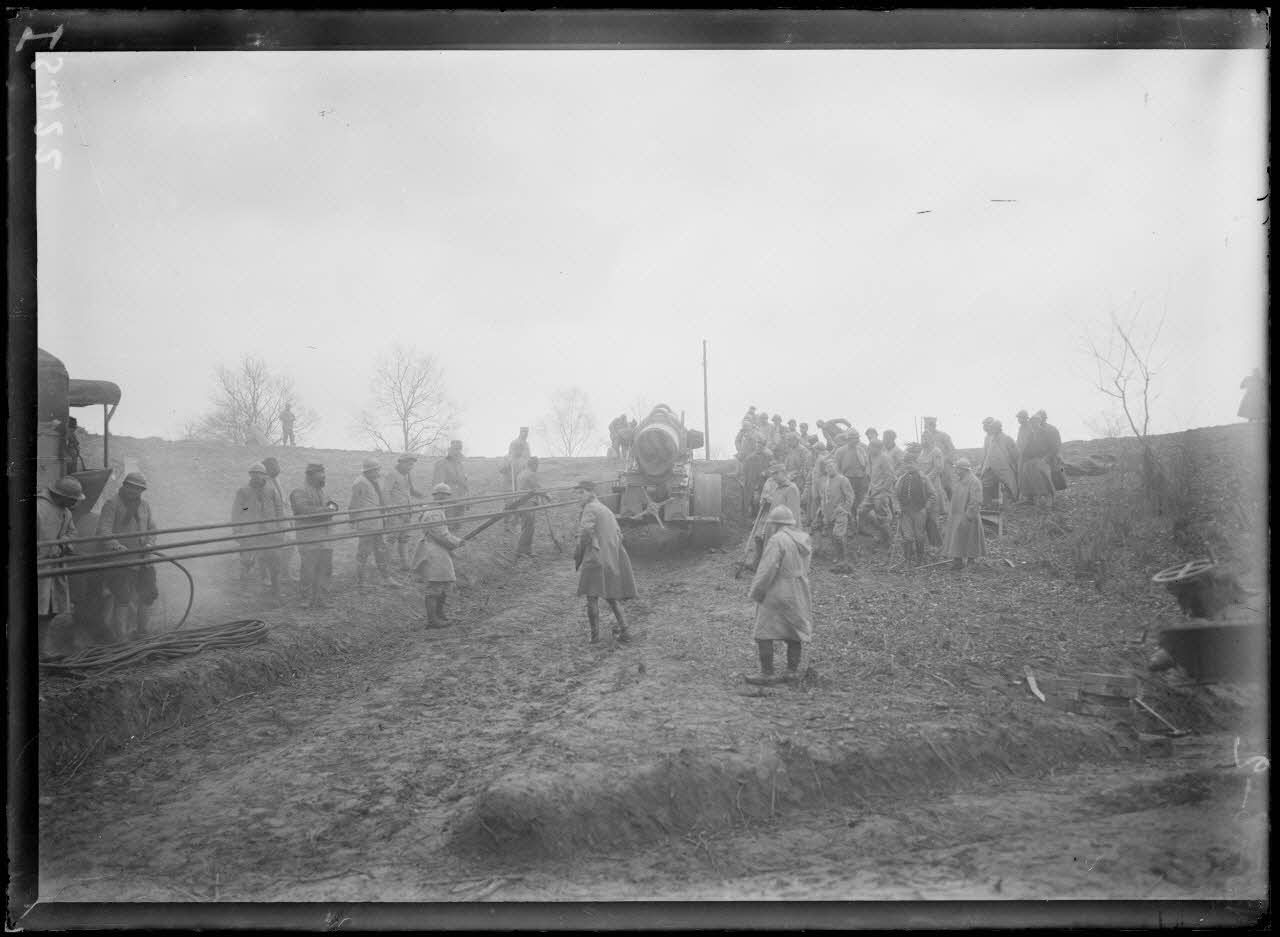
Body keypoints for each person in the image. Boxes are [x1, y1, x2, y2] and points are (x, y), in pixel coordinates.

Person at [745, 506, 813, 686]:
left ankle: (767, 673)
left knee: (763, 631)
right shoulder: (803, 539)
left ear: (775, 524)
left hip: (778, 588)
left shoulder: (777, 540)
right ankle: (792, 672)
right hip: (798, 588)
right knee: (794, 630)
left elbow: (768, 569)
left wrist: (757, 591)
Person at [96, 472, 159, 639]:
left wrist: (150, 543)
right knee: (122, 597)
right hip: (121, 560)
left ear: (142, 490)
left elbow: (152, 528)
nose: (134, 491)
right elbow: (103, 531)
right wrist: (116, 546)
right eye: (131, 487)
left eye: (138, 488)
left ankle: (142, 632)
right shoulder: (112, 504)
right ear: (124, 486)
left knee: (148, 594)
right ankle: (121, 637)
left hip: (144, 559)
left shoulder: (144, 505)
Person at [573, 479, 637, 645]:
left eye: (581, 493)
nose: (579, 496)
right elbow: (619, 535)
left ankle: (594, 637)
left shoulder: (590, 508)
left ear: (590, 493)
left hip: (595, 559)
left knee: (591, 597)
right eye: (577, 493)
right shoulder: (605, 509)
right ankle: (626, 631)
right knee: (611, 597)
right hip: (608, 559)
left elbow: (585, 532)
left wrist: (578, 554)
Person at [37, 476, 84, 659]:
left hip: (54, 569)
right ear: (62, 496)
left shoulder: (66, 511)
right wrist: (49, 548)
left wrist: (62, 544)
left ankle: (42, 650)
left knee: (49, 612)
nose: (75, 503)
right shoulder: (38, 508)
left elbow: (73, 533)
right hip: (40, 567)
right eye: (73, 499)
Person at [411, 483, 466, 628]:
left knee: (443, 583)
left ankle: (440, 615)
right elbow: (441, 534)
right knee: (435, 585)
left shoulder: (436, 509)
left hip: (438, 549)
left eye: (447, 495)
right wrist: (457, 542)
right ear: (436, 495)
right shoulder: (433, 513)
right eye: (442, 495)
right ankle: (432, 620)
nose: (445, 498)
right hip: (434, 550)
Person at [230, 462, 286, 597]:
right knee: (247, 561)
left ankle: (276, 589)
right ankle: (245, 589)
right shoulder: (243, 491)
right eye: (254, 474)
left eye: (260, 474)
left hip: (270, 532)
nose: (256, 477)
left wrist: (280, 528)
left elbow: (279, 509)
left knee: (274, 561)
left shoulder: (271, 491)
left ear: (264, 475)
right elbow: (238, 510)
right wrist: (238, 530)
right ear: (250, 475)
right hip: (251, 531)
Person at [290, 463, 339, 608]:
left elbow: (333, 505)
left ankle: (322, 597)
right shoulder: (299, 491)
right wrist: (326, 510)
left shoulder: (323, 491)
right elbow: (303, 510)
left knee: (325, 568)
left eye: (323, 474)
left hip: (326, 536)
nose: (323, 477)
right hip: (309, 537)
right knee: (308, 569)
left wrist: (330, 508)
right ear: (310, 476)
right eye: (320, 475)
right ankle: (305, 598)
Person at [350, 457, 391, 586]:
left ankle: (386, 578)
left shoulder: (374, 481)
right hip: (366, 523)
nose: (378, 473)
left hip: (377, 522)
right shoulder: (360, 483)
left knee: (381, 550)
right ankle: (360, 580)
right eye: (376, 470)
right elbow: (354, 503)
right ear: (369, 471)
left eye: (378, 470)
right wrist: (352, 520)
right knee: (363, 552)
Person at [895, 453, 937, 568]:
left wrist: (926, 508)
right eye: (906, 463)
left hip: (919, 511)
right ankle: (907, 560)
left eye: (911, 463)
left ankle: (920, 559)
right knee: (907, 537)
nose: (908, 465)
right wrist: (898, 508)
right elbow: (895, 495)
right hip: (905, 512)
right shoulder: (901, 479)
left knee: (919, 536)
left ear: (916, 464)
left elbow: (933, 495)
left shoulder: (924, 478)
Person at [943, 457, 985, 570]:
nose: (956, 471)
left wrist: (969, 515)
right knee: (957, 538)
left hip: (968, 516)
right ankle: (958, 561)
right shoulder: (960, 481)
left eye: (958, 469)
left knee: (971, 539)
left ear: (964, 469)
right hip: (957, 515)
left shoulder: (974, 481)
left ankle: (971, 562)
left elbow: (976, 500)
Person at [385, 453, 423, 571]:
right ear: (401, 462)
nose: (410, 467)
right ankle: (385, 566)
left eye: (412, 465)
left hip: (407, 511)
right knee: (391, 538)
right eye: (408, 464)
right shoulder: (392, 474)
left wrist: (419, 494)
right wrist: (390, 510)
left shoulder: (407, 475)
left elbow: (410, 490)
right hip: (395, 513)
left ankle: (405, 564)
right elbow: (385, 492)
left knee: (405, 538)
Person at [817, 458, 856, 571]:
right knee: (831, 535)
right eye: (828, 467)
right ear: (825, 469)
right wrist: (823, 511)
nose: (830, 469)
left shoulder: (843, 480)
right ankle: (837, 555)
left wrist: (844, 509)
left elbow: (850, 496)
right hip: (828, 512)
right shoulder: (824, 481)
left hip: (840, 512)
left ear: (836, 468)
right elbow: (823, 497)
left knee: (838, 534)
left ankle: (843, 558)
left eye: (832, 467)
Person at [858, 439, 896, 547]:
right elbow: (870, 474)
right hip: (871, 491)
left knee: (882, 517)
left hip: (880, 493)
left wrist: (883, 491)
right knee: (861, 511)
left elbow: (891, 477)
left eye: (871, 447)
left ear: (878, 448)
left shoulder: (885, 458)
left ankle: (888, 541)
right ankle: (866, 532)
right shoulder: (870, 457)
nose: (869, 449)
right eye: (869, 447)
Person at [979, 417, 1020, 507]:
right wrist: (983, 467)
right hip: (990, 467)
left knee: (1009, 485)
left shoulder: (1007, 439)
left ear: (999, 428)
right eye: (991, 428)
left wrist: (1014, 466)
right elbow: (987, 454)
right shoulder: (989, 439)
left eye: (994, 428)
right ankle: (988, 504)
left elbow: (1015, 454)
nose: (992, 430)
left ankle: (1010, 504)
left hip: (1004, 467)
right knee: (986, 484)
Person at [1018, 414, 1056, 507]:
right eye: (1032, 422)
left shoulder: (1046, 433)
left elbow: (1054, 448)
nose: (1033, 424)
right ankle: (1031, 498)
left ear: (1039, 422)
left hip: (1044, 459)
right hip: (1032, 459)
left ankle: (1049, 498)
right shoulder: (1031, 434)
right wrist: (1024, 457)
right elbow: (1028, 448)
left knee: (1044, 479)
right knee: (1028, 475)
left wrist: (1046, 459)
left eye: (1035, 422)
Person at [432, 440, 470, 532]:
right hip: (448, 500)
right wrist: (440, 501)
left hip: (461, 499)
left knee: (458, 526)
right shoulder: (442, 463)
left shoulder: (461, 464)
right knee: (448, 526)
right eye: (455, 449)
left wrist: (467, 499)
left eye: (459, 449)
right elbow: (438, 484)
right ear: (449, 449)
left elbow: (465, 483)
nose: (457, 451)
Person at [515, 456, 548, 557]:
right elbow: (536, 488)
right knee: (528, 528)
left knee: (527, 527)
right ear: (533, 465)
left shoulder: (521, 474)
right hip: (528, 503)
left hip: (521, 503)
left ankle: (526, 550)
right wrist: (547, 495)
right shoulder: (530, 474)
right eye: (537, 465)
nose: (537, 467)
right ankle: (520, 551)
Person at [501, 427, 533, 531]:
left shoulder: (526, 447)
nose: (525, 434)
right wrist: (510, 464)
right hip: (510, 483)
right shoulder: (508, 457)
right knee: (510, 502)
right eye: (523, 432)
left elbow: (528, 461)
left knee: (521, 502)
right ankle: (507, 524)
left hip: (521, 482)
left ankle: (516, 523)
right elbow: (503, 469)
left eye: (526, 433)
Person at [920, 416, 955, 499]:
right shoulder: (924, 436)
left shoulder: (943, 435)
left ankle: (952, 503)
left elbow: (952, 450)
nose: (927, 427)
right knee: (931, 486)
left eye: (929, 425)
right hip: (930, 465)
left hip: (944, 465)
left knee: (947, 486)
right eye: (925, 425)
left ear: (934, 425)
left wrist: (944, 460)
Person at [835, 430, 870, 511]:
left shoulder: (861, 450)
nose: (857, 440)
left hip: (861, 479)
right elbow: (836, 467)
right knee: (848, 499)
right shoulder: (841, 451)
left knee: (861, 500)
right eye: (854, 438)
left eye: (857, 438)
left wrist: (866, 475)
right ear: (849, 439)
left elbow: (866, 464)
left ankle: (859, 516)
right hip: (847, 478)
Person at [1037, 409, 1068, 493]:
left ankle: (1059, 491)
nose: (1039, 420)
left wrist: (1048, 457)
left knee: (1057, 473)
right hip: (1043, 456)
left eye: (1040, 418)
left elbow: (1056, 446)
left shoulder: (1051, 429)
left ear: (1044, 418)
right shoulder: (1037, 430)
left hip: (1053, 456)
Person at [741, 438, 770, 515]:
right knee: (751, 501)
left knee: (762, 501)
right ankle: (751, 517)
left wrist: (766, 472)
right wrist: (745, 481)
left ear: (764, 447)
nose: (758, 448)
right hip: (751, 483)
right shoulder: (749, 458)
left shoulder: (767, 457)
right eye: (757, 446)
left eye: (761, 446)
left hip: (763, 483)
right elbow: (744, 471)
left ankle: (760, 517)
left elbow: (771, 469)